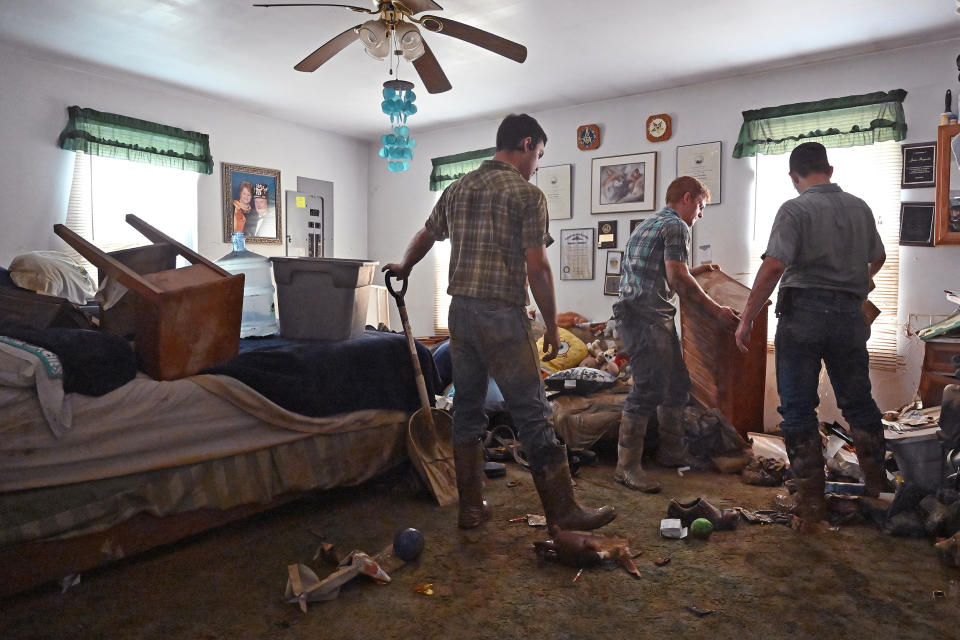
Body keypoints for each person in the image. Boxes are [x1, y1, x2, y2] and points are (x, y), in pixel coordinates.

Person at [383, 113, 615, 532]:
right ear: (526, 144)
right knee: (533, 411)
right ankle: (562, 511)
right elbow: (538, 268)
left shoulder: (458, 187)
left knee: (468, 411)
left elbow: (427, 234)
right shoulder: (526, 194)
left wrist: (404, 266)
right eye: (539, 155)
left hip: (461, 315)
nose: (538, 165)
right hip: (502, 316)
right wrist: (550, 324)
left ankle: (471, 508)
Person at [734, 142, 886, 531]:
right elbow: (879, 256)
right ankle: (877, 491)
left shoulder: (795, 208)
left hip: (803, 315)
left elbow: (773, 267)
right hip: (850, 315)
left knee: (799, 408)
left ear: (793, 176)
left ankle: (811, 506)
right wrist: (858, 284)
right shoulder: (860, 207)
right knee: (859, 402)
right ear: (829, 169)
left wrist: (747, 318)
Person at [613, 176, 738, 494]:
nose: (700, 215)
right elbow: (678, 281)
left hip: (644, 315)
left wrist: (694, 271)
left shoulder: (649, 223)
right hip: (646, 318)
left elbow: (662, 273)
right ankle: (626, 468)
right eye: (700, 206)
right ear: (687, 197)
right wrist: (717, 312)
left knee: (678, 386)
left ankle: (670, 452)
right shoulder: (677, 227)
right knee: (646, 390)